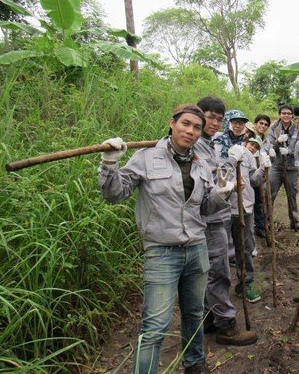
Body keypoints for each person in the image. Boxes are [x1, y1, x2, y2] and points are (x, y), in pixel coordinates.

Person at [98, 104, 235, 374]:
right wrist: (109, 162)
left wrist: (221, 194)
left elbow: (204, 209)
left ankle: (195, 364)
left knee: (194, 314)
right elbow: (115, 194)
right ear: (171, 123)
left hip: (197, 248)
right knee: (155, 326)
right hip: (162, 252)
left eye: (197, 127)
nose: (191, 131)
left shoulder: (201, 162)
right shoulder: (146, 157)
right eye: (185, 124)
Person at [194, 97, 258, 346]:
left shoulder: (208, 144)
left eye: (219, 119)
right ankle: (226, 325)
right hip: (209, 217)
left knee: (210, 270)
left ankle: (209, 317)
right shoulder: (199, 144)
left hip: (216, 214)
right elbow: (215, 180)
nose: (214, 123)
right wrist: (231, 163)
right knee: (219, 271)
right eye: (211, 117)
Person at [215, 110, 268, 303]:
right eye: (234, 122)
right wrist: (231, 160)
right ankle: (218, 292)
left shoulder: (246, 152)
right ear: (227, 122)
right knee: (219, 251)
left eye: (242, 123)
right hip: (221, 208)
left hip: (244, 208)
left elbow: (253, 180)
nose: (238, 125)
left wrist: (263, 169)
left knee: (244, 249)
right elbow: (215, 178)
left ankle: (245, 285)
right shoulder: (216, 146)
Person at [266, 104, 299, 230]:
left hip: (291, 167)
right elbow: (269, 146)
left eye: (288, 113)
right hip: (276, 166)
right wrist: (277, 142)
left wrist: (289, 151)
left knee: (292, 195)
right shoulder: (273, 128)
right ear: (280, 114)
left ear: (292, 115)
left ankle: (295, 222)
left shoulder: (297, 129)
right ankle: (267, 221)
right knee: (270, 193)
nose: (286, 115)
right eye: (283, 113)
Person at [253, 114, 271, 238]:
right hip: (249, 174)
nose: (263, 126)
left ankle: (260, 227)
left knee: (260, 201)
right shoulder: (249, 138)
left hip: (261, 176)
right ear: (256, 124)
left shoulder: (267, 142)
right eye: (261, 123)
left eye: (265, 125)